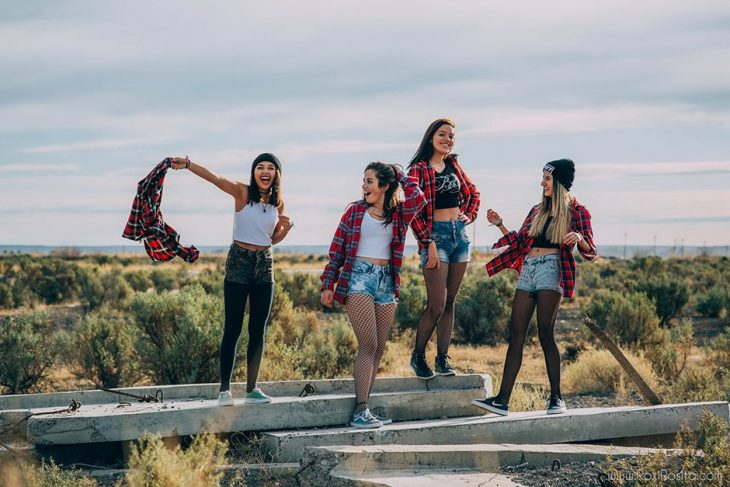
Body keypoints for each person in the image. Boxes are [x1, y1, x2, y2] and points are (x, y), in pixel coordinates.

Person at [472, 158, 597, 416]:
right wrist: (499, 224)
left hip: (552, 270)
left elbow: (591, 251)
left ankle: (556, 399)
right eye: (543, 178)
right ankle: (502, 400)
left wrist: (580, 239)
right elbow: (519, 242)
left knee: (545, 334)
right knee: (516, 333)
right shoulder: (537, 210)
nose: (542, 183)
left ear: (560, 182)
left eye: (547, 178)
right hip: (529, 268)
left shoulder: (577, 211)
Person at [170, 153, 294, 406]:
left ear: (277, 174)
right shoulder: (242, 192)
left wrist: (286, 228)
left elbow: (270, 239)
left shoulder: (277, 204)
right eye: (260, 167)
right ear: (254, 171)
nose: (265, 171)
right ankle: (224, 391)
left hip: (265, 266)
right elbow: (215, 178)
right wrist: (189, 164)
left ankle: (251, 390)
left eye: (271, 168)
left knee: (257, 330)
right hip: (239, 261)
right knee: (233, 328)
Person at [321, 162, 426, 428]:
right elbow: (337, 250)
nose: (364, 186)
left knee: (378, 348)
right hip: (358, 277)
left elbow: (419, 198)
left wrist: (400, 173)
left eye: (369, 181)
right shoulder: (355, 212)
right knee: (368, 344)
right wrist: (328, 283)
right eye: (364, 181)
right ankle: (360, 410)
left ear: (384, 186)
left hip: (387, 282)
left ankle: (365, 408)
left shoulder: (400, 214)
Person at [408, 118, 480, 379]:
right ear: (431, 137)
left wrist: (469, 215)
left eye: (451, 136)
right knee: (436, 304)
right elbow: (413, 210)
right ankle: (418, 355)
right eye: (442, 134)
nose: (448, 139)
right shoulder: (417, 169)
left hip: (459, 236)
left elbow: (474, 194)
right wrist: (427, 242)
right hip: (435, 237)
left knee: (450, 301)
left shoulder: (454, 165)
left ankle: (442, 358)